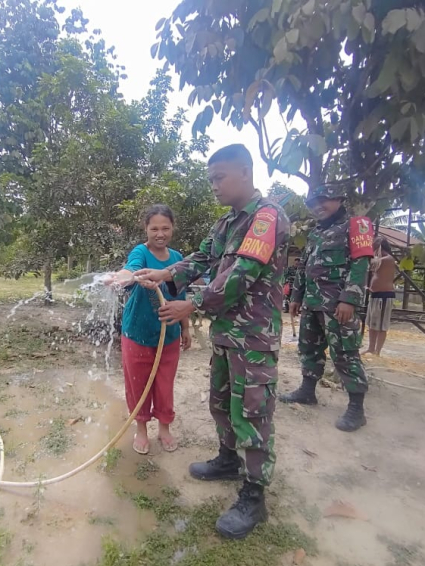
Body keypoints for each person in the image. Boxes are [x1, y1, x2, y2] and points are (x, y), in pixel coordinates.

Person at [134, 144, 290, 540]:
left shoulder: (265, 218)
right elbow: (201, 260)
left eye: (219, 178)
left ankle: (254, 497)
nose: (214, 186)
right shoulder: (225, 224)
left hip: (253, 335)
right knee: (221, 401)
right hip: (226, 332)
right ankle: (227, 459)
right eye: (211, 180)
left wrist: (192, 303)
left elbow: (241, 273)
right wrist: (164, 274)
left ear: (244, 171)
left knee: (253, 412)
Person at [282, 183, 373, 431]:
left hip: (337, 305)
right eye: (312, 203)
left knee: (344, 352)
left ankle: (356, 408)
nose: (317, 207)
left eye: (323, 200)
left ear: (339, 198)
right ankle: (307, 391)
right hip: (312, 302)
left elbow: (360, 264)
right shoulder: (315, 232)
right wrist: (296, 296)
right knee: (308, 347)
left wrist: (349, 299)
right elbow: (304, 266)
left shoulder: (357, 225)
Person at [105, 205, 192, 455]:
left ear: (173, 228)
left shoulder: (177, 258)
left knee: (165, 384)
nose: (160, 233)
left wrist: (186, 328)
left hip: (169, 335)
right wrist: (123, 277)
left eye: (165, 228)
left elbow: (181, 293)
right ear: (146, 229)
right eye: (154, 228)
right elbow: (131, 267)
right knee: (138, 384)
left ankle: (164, 428)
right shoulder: (140, 252)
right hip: (137, 333)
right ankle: (141, 428)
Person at [364, 237, 397, 357]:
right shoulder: (378, 259)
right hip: (375, 295)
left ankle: (378, 351)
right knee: (372, 324)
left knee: (382, 325)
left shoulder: (388, 259)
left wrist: (367, 253)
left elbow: (372, 262)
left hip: (385, 295)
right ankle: (371, 348)